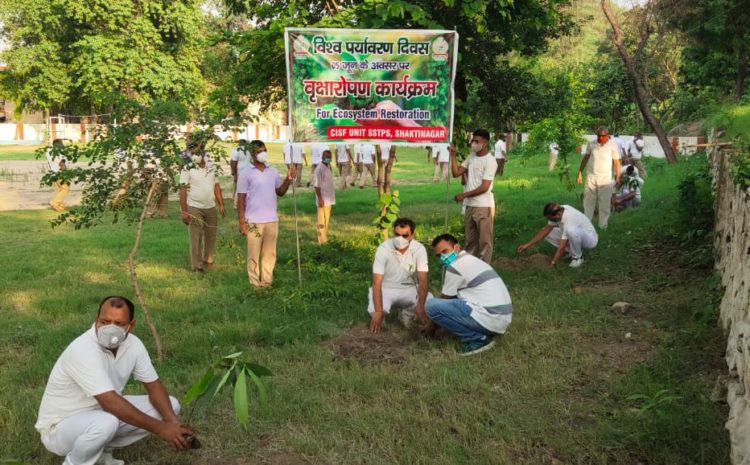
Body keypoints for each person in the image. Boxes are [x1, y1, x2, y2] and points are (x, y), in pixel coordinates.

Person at [36, 296, 194, 465]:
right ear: (97, 321)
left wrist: (173, 424)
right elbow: (110, 403)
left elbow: (154, 386)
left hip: (98, 414)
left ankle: (99, 452)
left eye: (119, 324)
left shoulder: (134, 345)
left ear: (131, 326)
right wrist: (161, 429)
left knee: (171, 405)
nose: (110, 329)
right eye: (105, 322)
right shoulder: (83, 350)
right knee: (106, 422)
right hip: (59, 427)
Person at [425, 234, 513, 356]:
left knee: (431, 306)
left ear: (456, 247)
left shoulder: (455, 266)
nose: (442, 257)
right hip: (501, 318)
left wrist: (430, 328)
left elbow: (445, 299)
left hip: (492, 317)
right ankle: (484, 331)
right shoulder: (472, 260)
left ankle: (477, 338)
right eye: (439, 255)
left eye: (445, 251)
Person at [236, 140, 296, 287]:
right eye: (258, 151)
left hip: (271, 220)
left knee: (270, 254)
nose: (262, 153)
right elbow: (241, 199)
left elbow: (280, 191)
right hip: (254, 221)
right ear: (252, 154)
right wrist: (242, 221)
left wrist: (289, 178)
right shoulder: (245, 174)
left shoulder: (273, 171)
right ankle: (255, 284)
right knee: (253, 255)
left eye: (264, 150)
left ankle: (266, 282)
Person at [368, 218, 431, 334]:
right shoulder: (383, 249)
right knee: (373, 311)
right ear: (393, 232)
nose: (400, 239)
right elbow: (377, 282)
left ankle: (407, 315)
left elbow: (423, 280)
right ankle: (381, 324)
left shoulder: (419, 249)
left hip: (410, 288)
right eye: (397, 235)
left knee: (431, 304)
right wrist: (378, 311)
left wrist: (421, 305)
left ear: (413, 235)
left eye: (405, 236)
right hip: (386, 288)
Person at [449, 129, 498, 263]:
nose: (473, 143)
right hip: (470, 205)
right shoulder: (471, 157)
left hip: (483, 206)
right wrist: (453, 155)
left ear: (485, 143)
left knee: (485, 242)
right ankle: (472, 268)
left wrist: (464, 195)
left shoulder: (490, 161)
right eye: (473, 140)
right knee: (471, 241)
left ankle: (485, 270)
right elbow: (456, 172)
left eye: (477, 141)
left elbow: (485, 187)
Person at [179, 148, 225, 272]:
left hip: (210, 207)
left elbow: (216, 186)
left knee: (211, 236)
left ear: (204, 154)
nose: (195, 156)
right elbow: (182, 190)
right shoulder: (187, 168)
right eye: (193, 153)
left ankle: (208, 260)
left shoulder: (211, 167)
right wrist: (184, 211)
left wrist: (221, 204)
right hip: (194, 207)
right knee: (196, 237)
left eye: (198, 153)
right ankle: (197, 266)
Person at [517, 202, 598, 268]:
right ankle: (572, 252)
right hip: (577, 234)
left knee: (571, 231)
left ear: (558, 214)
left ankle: (577, 258)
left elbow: (562, 247)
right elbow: (546, 230)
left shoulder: (569, 219)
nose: (550, 220)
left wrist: (553, 263)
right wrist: (527, 245)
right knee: (548, 233)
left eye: (550, 218)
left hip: (590, 239)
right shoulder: (558, 211)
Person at [576, 126, 621, 229]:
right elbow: (586, 158)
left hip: (605, 179)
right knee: (588, 203)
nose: (601, 138)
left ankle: (603, 226)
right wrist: (579, 172)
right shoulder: (591, 144)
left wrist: (618, 177)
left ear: (607, 136)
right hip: (591, 177)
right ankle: (587, 226)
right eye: (599, 136)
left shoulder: (612, 146)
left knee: (604, 203)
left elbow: (617, 162)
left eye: (603, 136)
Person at [313, 150, 335, 244]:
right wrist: (320, 198)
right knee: (321, 220)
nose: (328, 159)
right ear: (322, 157)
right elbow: (317, 186)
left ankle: (325, 238)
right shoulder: (319, 169)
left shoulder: (329, 166)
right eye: (327, 157)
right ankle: (321, 240)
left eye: (330, 157)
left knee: (326, 220)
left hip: (329, 199)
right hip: (323, 199)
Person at [46, 139, 70, 212]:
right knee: (65, 189)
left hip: (52, 174)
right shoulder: (61, 154)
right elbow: (62, 164)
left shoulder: (48, 153)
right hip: (60, 174)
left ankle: (60, 205)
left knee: (60, 190)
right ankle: (55, 202)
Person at [230, 139, 252, 208]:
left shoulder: (249, 150)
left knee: (247, 188)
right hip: (240, 172)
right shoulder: (236, 150)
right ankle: (236, 205)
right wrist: (234, 174)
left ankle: (246, 203)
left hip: (248, 172)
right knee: (239, 189)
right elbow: (233, 162)